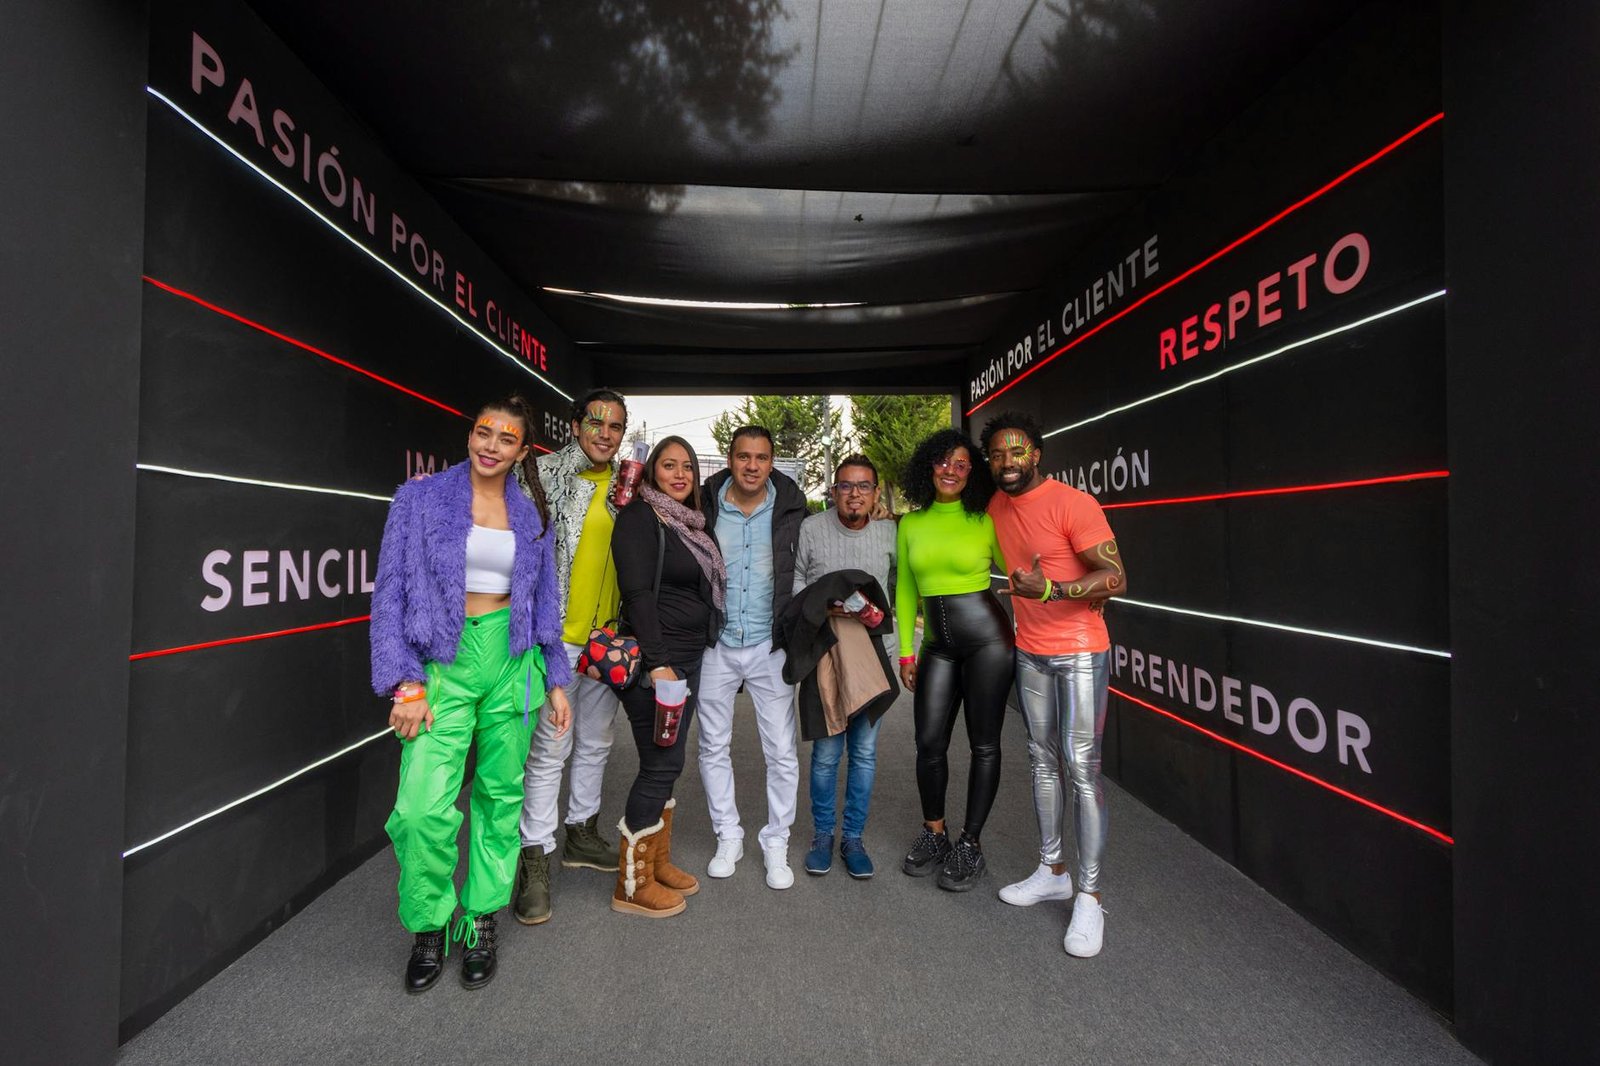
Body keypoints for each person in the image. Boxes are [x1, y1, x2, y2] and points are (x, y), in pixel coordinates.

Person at [370, 395, 573, 994]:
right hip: (443, 665)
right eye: (484, 432)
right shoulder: (421, 498)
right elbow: (390, 594)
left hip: (512, 663)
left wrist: (556, 677)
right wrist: (405, 683)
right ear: (471, 434)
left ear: (521, 449)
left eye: (506, 439)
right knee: (420, 809)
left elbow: (543, 604)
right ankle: (430, 922)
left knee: (499, 800)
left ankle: (479, 918)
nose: (491, 445)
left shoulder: (532, 511)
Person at [983, 411, 1126, 958]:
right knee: (1040, 760)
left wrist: (1051, 591)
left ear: (1036, 454)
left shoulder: (1073, 503)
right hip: (1031, 652)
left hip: (1082, 652)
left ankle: (1089, 897)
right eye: (997, 455)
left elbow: (1116, 577)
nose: (1006, 462)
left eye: (1016, 452)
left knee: (1082, 769)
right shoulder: (996, 505)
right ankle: (1053, 871)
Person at [512, 389, 629, 926]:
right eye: (597, 422)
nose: (605, 433)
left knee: (596, 741)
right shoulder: (540, 475)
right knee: (549, 749)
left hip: (608, 640)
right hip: (556, 637)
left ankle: (581, 832)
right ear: (576, 424)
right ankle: (533, 856)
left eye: (616, 426)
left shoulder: (632, 487)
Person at [609, 436, 725, 917]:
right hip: (659, 665)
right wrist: (658, 664)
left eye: (688, 468)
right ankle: (631, 886)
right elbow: (637, 595)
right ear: (652, 470)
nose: (680, 475)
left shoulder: (692, 524)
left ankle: (655, 862)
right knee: (659, 763)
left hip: (687, 660)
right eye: (669, 465)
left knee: (669, 761)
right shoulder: (640, 518)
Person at [894, 428, 1012, 892]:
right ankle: (935, 832)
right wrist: (907, 650)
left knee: (984, 744)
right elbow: (905, 589)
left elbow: (1022, 567)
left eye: (962, 464)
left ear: (973, 472)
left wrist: (1070, 584)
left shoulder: (986, 518)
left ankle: (971, 843)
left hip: (989, 642)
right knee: (928, 742)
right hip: (937, 646)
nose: (951, 470)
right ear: (929, 466)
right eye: (943, 461)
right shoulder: (911, 523)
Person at [695, 426, 809, 889]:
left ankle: (776, 840)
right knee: (711, 745)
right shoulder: (701, 506)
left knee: (781, 751)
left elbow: (822, 543)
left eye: (761, 457)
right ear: (730, 458)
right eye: (743, 456)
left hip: (768, 642)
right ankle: (728, 834)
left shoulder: (793, 509)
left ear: (772, 460)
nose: (752, 466)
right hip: (716, 642)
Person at [792, 455, 898, 878]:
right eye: (846, 486)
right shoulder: (811, 529)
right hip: (825, 653)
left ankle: (853, 838)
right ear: (833, 491)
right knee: (825, 754)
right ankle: (822, 835)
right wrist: (825, 605)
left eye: (864, 486)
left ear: (875, 492)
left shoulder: (891, 532)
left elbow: (898, 591)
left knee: (865, 753)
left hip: (874, 654)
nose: (855, 494)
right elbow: (798, 581)